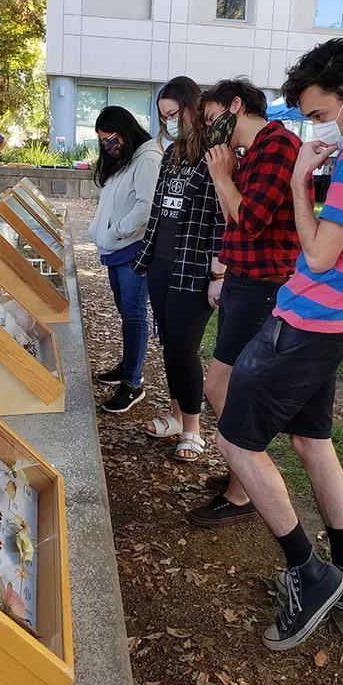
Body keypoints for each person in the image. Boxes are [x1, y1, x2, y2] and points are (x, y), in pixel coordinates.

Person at [214, 38, 343, 651]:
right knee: (311, 440)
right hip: (340, 318)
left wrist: (302, 181)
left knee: (234, 440)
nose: (316, 126)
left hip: (306, 319)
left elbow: (319, 252)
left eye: (321, 113)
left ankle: (310, 572)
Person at [186, 78, 306, 527]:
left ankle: (243, 491)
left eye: (212, 118)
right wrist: (228, 174)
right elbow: (232, 218)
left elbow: (251, 221)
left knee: (222, 386)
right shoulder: (250, 152)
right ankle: (241, 474)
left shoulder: (278, 145)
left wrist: (222, 176)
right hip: (242, 279)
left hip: (263, 284)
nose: (210, 130)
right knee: (229, 383)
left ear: (236, 105)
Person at [134, 77, 226, 462]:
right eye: (164, 116)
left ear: (193, 108)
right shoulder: (172, 154)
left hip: (195, 267)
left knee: (184, 348)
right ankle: (176, 416)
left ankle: (193, 429)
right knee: (169, 345)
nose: (170, 121)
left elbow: (223, 219)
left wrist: (219, 274)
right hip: (161, 263)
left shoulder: (217, 154)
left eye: (175, 113)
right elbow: (159, 209)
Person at [89, 106, 162, 413]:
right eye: (103, 141)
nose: (107, 147)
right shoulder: (127, 157)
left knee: (133, 316)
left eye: (110, 140)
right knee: (126, 313)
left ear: (125, 132)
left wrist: (115, 232)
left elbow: (145, 208)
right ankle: (128, 365)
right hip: (116, 250)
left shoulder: (147, 158)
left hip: (133, 251)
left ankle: (133, 383)